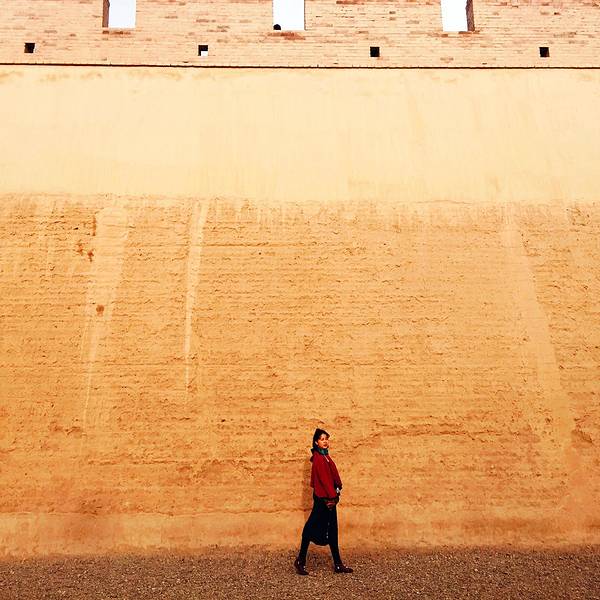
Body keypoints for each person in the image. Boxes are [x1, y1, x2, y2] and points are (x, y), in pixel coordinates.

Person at [294, 428, 353, 575]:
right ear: (316, 442)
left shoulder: (325, 456)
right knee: (310, 528)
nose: (325, 441)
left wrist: (337, 488)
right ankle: (300, 560)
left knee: (332, 529)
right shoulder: (319, 458)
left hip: (329, 499)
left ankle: (338, 564)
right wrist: (333, 497)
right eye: (322, 439)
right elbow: (324, 480)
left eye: (326, 439)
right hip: (323, 500)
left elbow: (333, 475)